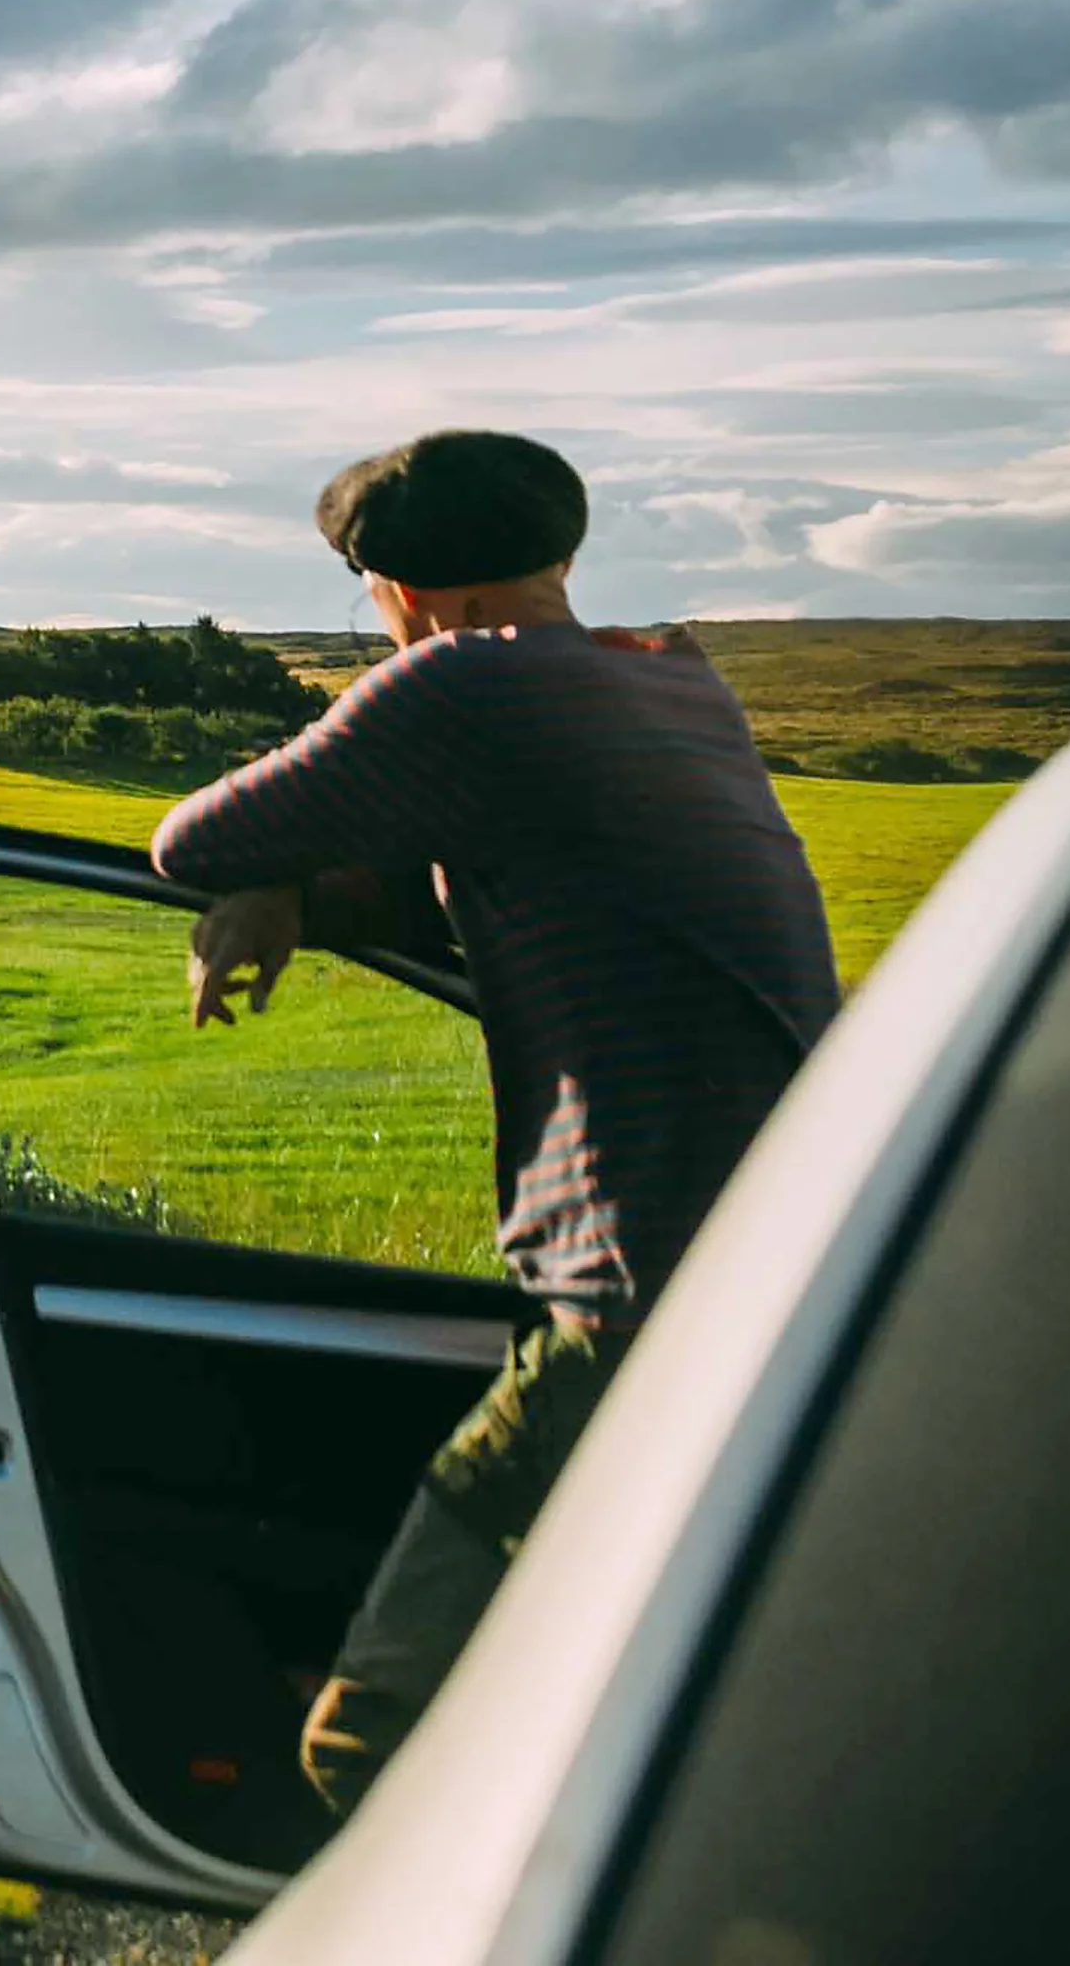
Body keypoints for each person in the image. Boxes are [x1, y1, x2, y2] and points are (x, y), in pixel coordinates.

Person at [146, 429, 841, 1815]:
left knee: (377, 1743)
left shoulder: (463, 687)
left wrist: (270, 880)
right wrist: (317, 900)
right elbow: (514, 895)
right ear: (560, 559)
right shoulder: (673, 687)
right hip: (792, 1258)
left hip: (637, 1294)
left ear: (409, 596)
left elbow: (191, 841)